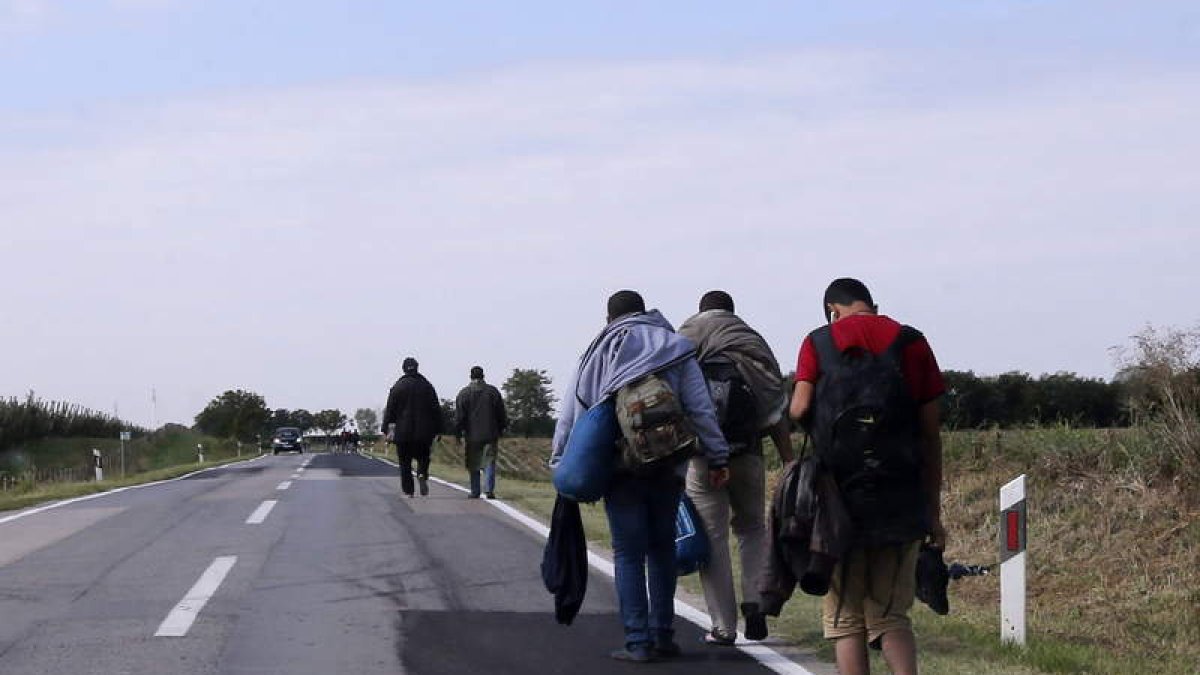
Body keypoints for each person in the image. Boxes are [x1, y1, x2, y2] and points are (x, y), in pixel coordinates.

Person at [550, 290, 732, 663]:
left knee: (628, 553)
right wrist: (717, 456)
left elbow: (574, 409)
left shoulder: (599, 351)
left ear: (609, 318)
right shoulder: (676, 347)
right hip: (668, 467)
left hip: (620, 469)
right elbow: (701, 409)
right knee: (662, 548)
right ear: (648, 312)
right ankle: (664, 634)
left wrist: (560, 461)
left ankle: (637, 642)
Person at [789, 278, 946, 675]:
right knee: (891, 614)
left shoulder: (818, 341)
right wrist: (933, 511)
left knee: (845, 617)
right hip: (900, 498)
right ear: (872, 305)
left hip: (838, 501)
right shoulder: (911, 341)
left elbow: (798, 408)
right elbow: (930, 433)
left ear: (832, 310)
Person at [677, 290, 795, 645]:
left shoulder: (687, 335)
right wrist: (789, 459)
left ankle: (723, 627)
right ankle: (756, 605)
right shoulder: (750, 339)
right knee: (752, 528)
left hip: (704, 457)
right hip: (749, 452)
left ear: (700, 311)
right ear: (731, 311)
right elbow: (775, 406)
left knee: (712, 538)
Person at [382, 357, 444, 498]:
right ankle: (422, 473)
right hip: (424, 432)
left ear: (404, 369)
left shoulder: (398, 387)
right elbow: (436, 409)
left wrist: (386, 430)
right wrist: (439, 429)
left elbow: (390, 410)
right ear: (417, 367)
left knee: (404, 463)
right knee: (423, 457)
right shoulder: (427, 386)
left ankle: (409, 490)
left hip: (402, 432)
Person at [455, 365, 508, 499]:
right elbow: (501, 413)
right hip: (490, 433)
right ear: (483, 376)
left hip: (472, 435)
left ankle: (475, 490)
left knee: (474, 463)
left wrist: (458, 433)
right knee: (489, 461)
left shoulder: (464, 393)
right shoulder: (492, 392)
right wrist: (501, 428)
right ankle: (489, 490)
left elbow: (460, 416)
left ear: (471, 377)